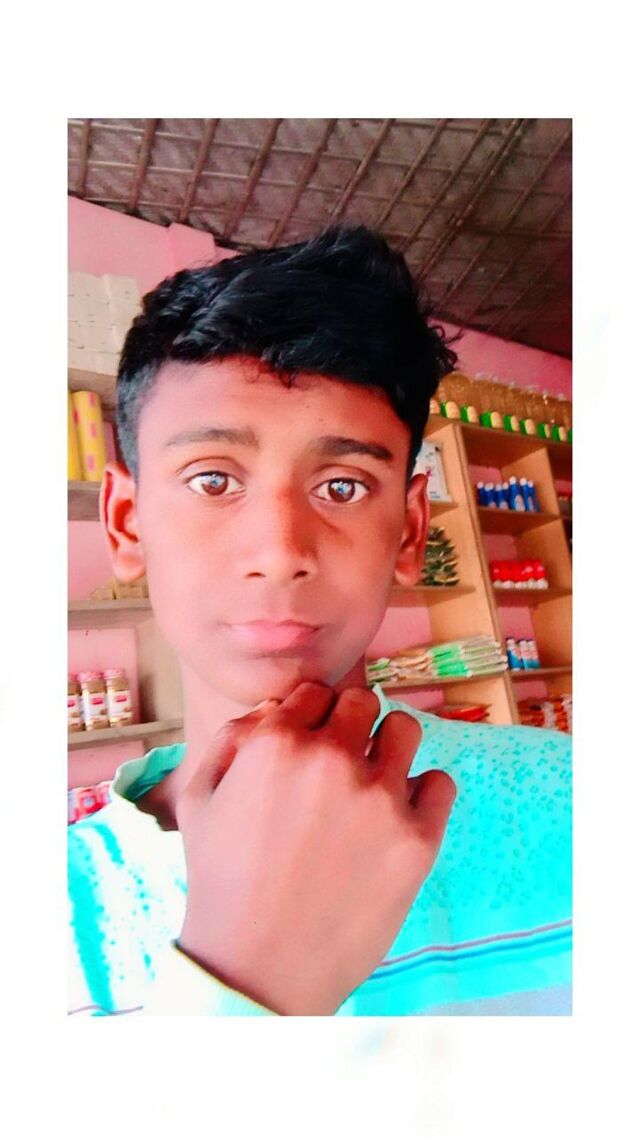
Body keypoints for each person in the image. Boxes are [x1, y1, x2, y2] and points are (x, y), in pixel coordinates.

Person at [68, 225, 572, 1016]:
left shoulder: (575, 804)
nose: (280, 552)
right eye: (211, 480)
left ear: (408, 532)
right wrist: (247, 981)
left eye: (342, 486)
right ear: (127, 522)